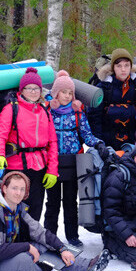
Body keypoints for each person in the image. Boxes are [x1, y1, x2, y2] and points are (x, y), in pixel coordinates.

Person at [0, 172, 110, 271]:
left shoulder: (18, 210)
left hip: (8, 257)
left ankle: (86, 267)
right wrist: (27, 247)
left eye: (22, 189)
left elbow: (41, 233)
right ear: (4, 189)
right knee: (24, 259)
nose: (18, 193)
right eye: (14, 188)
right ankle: (44, 267)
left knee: (44, 245)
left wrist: (62, 248)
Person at [44, 70, 105, 247]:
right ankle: (49, 235)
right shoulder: (47, 112)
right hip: (52, 164)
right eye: (64, 92)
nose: (67, 96)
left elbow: (87, 135)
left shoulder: (78, 113)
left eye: (70, 93)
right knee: (52, 202)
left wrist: (98, 143)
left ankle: (72, 235)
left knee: (70, 201)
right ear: (56, 93)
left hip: (73, 163)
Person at [0, 67, 59, 222]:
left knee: (35, 210)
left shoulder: (44, 111)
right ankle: (13, 244)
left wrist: (52, 170)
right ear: (22, 90)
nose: (34, 92)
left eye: (36, 88)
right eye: (29, 88)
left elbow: (52, 143)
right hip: (16, 166)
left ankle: (32, 243)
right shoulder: (11, 109)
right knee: (13, 209)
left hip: (39, 168)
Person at [102, 140, 136, 264]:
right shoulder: (118, 177)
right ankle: (110, 243)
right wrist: (127, 235)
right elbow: (110, 211)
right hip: (120, 227)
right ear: (134, 155)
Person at [87, 48, 136, 149]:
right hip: (106, 143)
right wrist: (98, 143)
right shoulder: (104, 87)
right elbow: (94, 116)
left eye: (126, 65)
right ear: (113, 68)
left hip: (129, 140)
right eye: (119, 66)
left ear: (131, 66)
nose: (123, 69)